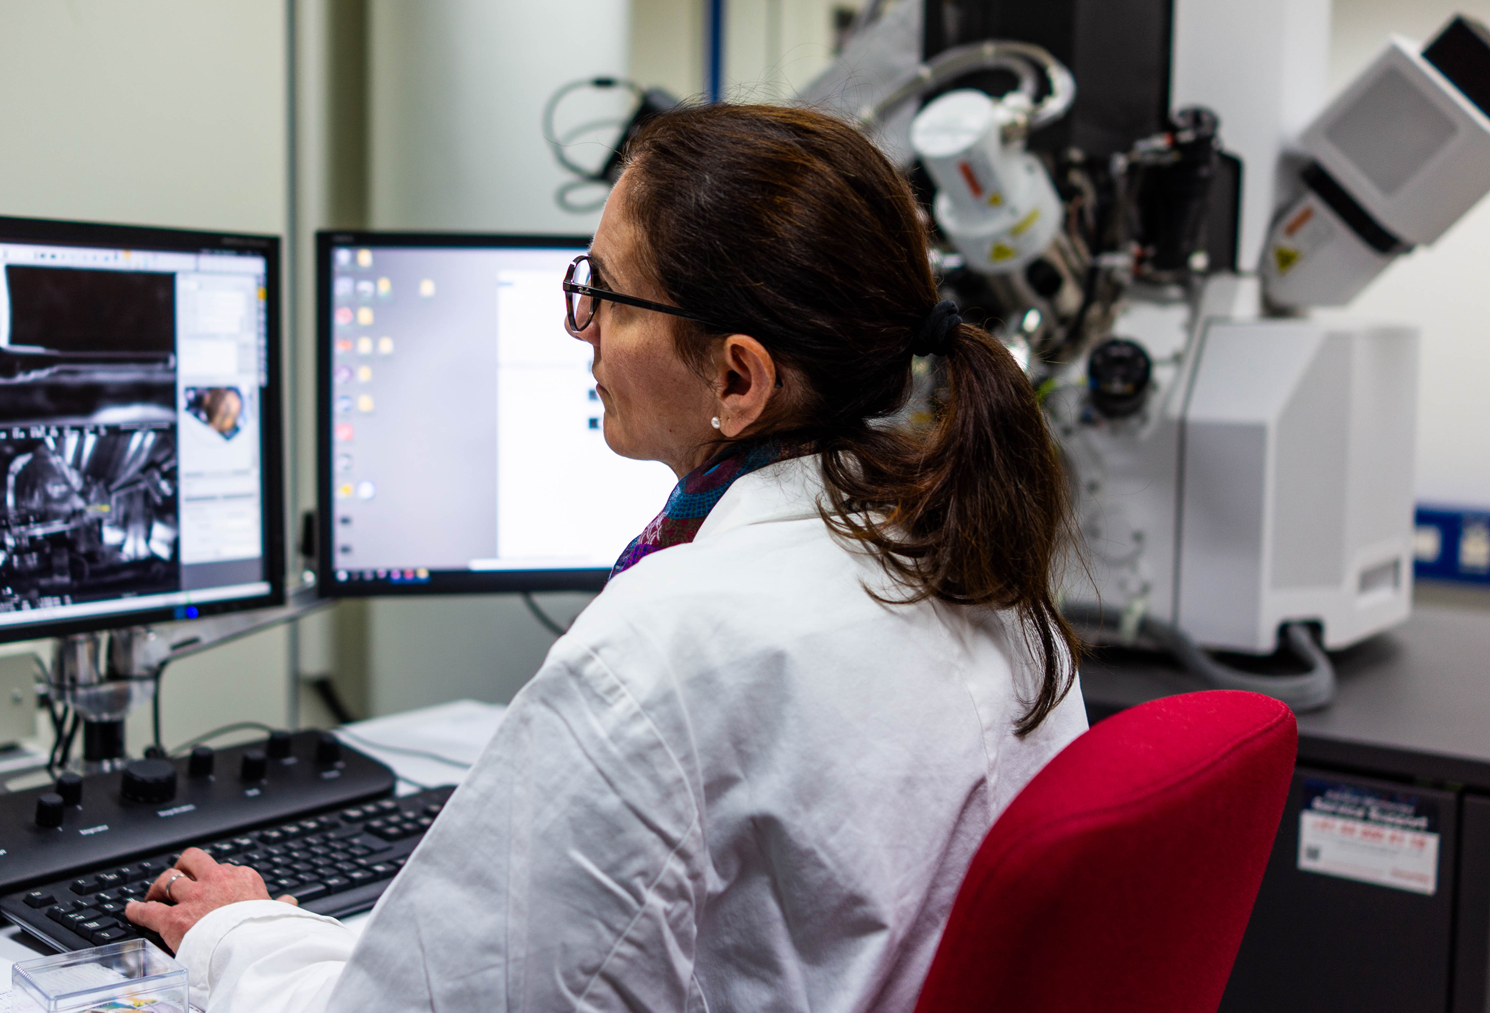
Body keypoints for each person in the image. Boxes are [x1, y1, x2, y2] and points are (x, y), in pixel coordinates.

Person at [124, 103, 1089, 1012]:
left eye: (606, 295)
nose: (579, 327)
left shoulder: (667, 645)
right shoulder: (979, 568)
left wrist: (238, 936)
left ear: (738, 378)